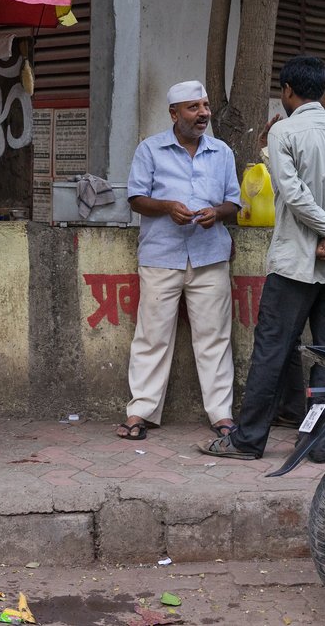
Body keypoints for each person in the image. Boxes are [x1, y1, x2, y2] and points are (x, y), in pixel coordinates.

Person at [201, 55, 325, 460]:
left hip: (295, 264)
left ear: (288, 91)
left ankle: (247, 441)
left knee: (272, 350)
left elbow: (295, 197)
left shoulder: (283, 133)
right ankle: (317, 443)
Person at [116, 81, 242, 441]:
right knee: (152, 336)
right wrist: (167, 207)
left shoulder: (221, 153)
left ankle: (221, 414)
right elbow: (136, 198)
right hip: (161, 255)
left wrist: (215, 213)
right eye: (193, 107)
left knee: (214, 338)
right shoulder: (150, 150)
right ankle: (141, 411)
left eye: (204, 106)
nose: (203, 113)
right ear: (174, 113)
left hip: (209, 256)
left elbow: (234, 204)